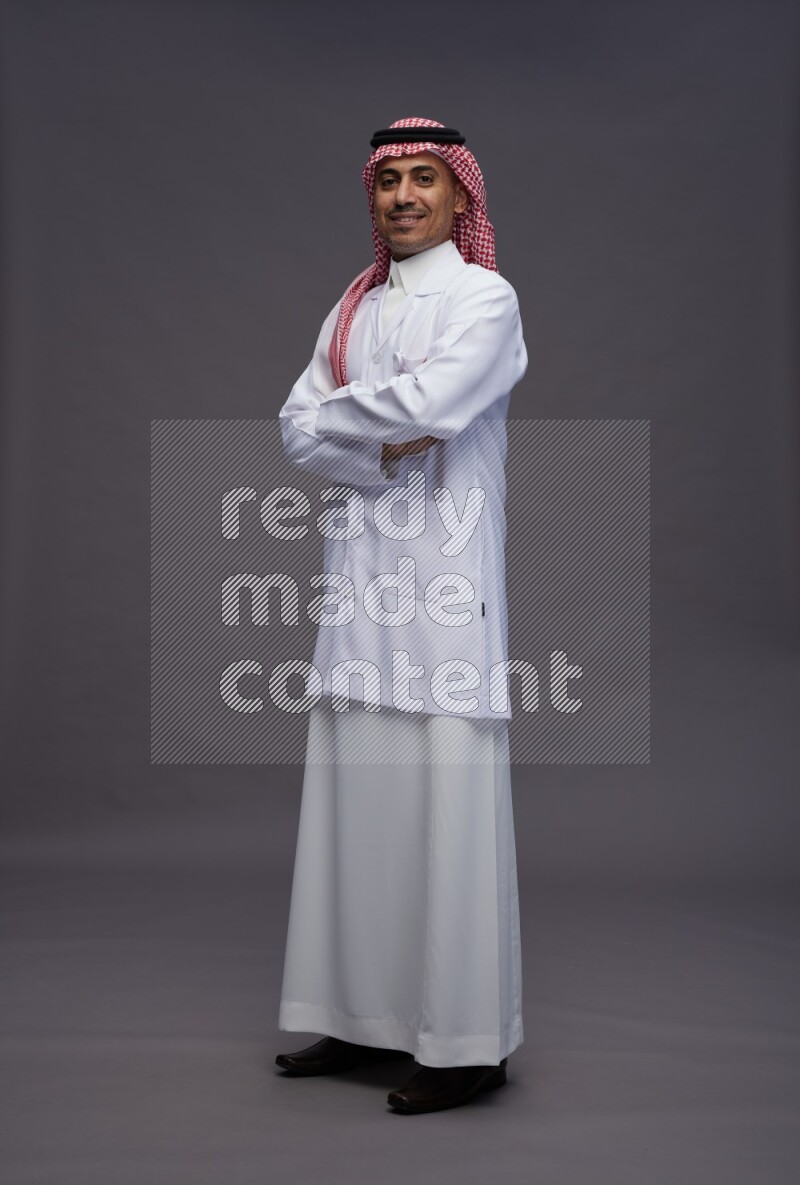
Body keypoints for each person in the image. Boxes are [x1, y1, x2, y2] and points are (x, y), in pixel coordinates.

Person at [274, 116, 527, 1114]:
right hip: (358, 590)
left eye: (426, 180)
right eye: (390, 182)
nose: (405, 197)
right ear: (373, 198)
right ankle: (357, 1017)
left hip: (446, 594)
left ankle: (464, 1044)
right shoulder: (354, 308)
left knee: (447, 810)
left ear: (460, 197)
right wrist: (375, 436)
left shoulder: (484, 298)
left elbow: (436, 404)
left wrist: (363, 425)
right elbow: (297, 432)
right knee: (355, 808)